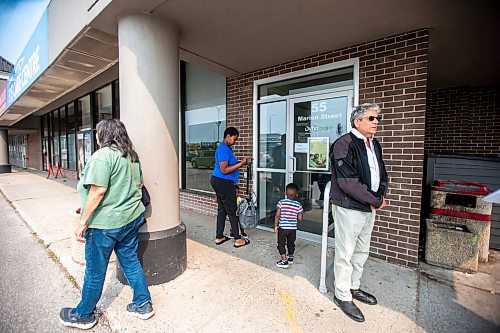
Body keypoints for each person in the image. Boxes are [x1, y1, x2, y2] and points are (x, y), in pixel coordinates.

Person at [59, 119, 153, 330]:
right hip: (130, 220)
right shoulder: (132, 156)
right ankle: (143, 304)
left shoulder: (102, 156)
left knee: (95, 271)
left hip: (105, 225)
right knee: (130, 261)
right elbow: (138, 185)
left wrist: (82, 222)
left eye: (97, 132)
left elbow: (98, 191)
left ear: (104, 134)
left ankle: (83, 315)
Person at [329, 103, 388, 322]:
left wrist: (379, 196)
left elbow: (382, 173)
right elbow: (348, 182)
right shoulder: (343, 144)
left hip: (368, 206)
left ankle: (353, 287)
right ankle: (342, 295)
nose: (376, 122)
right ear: (357, 121)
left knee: (362, 251)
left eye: (377, 119)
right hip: (348, 207)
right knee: (345, 253)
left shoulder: (374, 144)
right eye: (371, 118)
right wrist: (376, 201)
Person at [210, 127, 251, 248]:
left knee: (222, 210)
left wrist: (241, 162)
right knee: (232, 211)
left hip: (220, 182)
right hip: (223, 182)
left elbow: (228, 165)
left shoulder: (227, 148)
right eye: (234, 139)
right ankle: (238, 239)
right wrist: (241, 164)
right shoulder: (223, 149)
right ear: (228, 136)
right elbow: (224, 170)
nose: (235, 141)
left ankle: (219, 237)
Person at [274, 183, 304, 268]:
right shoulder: (298, 205)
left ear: (285, 193)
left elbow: (277, 215)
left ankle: (284, 261)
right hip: (292, 228)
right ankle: (290, 257)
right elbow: (300, 218)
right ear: (297, 194)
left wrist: (276, 225)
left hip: (283, 228)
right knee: (291, 243)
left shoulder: (281, 203)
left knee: (281, 243)